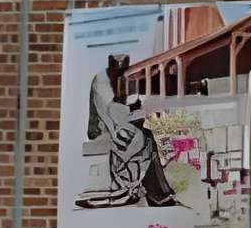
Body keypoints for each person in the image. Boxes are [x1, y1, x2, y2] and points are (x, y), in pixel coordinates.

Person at [76, 53, 178, 207]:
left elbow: (120, 109)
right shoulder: (101, 81)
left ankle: (156, 193)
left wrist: (136, 109)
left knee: (146, 136)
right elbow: (109, 113)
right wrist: (134, 112)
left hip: (117, 123)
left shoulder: (118, 79)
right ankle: (153, 193)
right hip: (106, 127)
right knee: (143, 138)